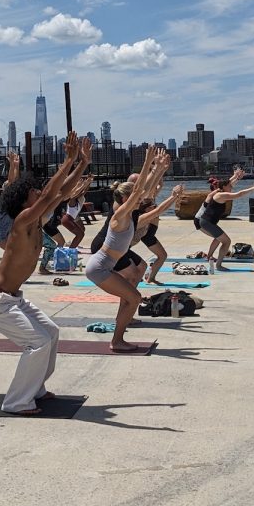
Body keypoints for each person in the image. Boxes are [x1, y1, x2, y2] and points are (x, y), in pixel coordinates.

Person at [0, 133, 91, 414]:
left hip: (12, 299)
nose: (38, 192)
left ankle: (35, 388)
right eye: (34, 191)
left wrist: (82, 164)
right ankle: (16, 402)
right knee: (37, 342)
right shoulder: (23, 220)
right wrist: (69, 160)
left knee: (50, 332)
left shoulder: (37, 219)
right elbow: (50, 192)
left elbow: (61, 193)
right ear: (24, 199)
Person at [84, 147, 169, 352]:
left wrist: (158, 169)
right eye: (135, 197)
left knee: (135, 286)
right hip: (99, 265)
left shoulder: (131, 211)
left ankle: (123, 323)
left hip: (104, 264)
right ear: (126, 199)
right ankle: (118, 339)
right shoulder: (121, 211)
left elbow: (145, 190)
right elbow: (140, 189)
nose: (140, 199)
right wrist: (148, 162)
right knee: (134, 296)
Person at [197, 167, 254, 269]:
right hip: (206, 222)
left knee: (223, 240)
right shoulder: (220, 195)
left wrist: (237, 177)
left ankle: (215, 261)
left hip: (208, 222)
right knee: (226, 241)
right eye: (229, 186)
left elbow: (229, 183)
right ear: (224, 187)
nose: (231, 187)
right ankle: (218, 265)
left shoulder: (221, 192)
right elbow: (239, 194)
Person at [0, 151, 22, 247]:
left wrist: (16, 166)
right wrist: (12, 165)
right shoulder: (4, 198)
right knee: (14, 252)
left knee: (16, 251)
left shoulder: (12, 198)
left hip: (3, 231)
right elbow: (11, 181)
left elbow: (15, 182)